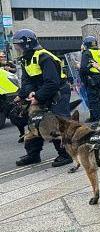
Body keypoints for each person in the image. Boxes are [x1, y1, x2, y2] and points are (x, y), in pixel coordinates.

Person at [12, 29, 73, 167]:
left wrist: (38, 97)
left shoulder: (44, 57)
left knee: (57, 124)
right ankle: (33, 155)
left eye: (18, 45)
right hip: (43, 92)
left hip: (58, 93)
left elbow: (52, 82)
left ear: (27, 44)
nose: (17, 48)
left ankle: (66, 155)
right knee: (34, 123)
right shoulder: (26, 59)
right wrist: (22, 95)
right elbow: (27, 81)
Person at [79, 36, 100, 123]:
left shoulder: (87, 52)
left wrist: (79, 68)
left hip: (92, 79)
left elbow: (83, 68)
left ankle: (97, 121)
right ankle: (95, 117)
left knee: (93, 100)